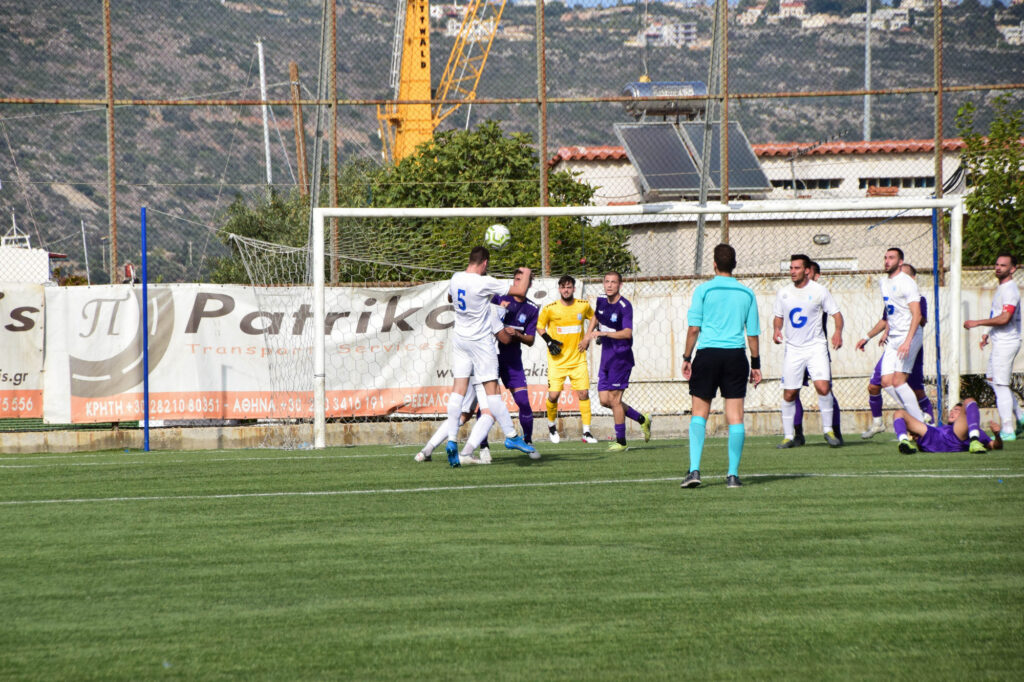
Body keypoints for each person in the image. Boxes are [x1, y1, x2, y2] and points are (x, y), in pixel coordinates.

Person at [443, 246, 536, 467]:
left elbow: (450, 297)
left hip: (460, 340)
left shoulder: (456, 278)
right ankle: (511, 436)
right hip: (480, 343)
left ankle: (452, 439)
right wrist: (526, 271)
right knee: (492, 392)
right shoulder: (484, 282)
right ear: (484, 262)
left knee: (458, 390)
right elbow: (520, 290)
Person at [681, 243, 761, 489]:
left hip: (707, 355)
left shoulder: (704, 290)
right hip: (735, 357)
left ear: (714, 264)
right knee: (735, 416)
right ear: (734, 265)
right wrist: (755, 364)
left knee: (699, 414)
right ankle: (732, 475)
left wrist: (686, 357)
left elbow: (694, 329)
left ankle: (694, 470)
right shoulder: (747, 294)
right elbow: (752, 334)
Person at [773, 254, 844, 448]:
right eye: (791, 268)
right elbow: (778, 316)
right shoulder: (783, 293)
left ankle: (828, 430)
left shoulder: (819, 291)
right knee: (789, 393)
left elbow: (837, 315)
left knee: (823, 387)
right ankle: (789, 436)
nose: (792, 271)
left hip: (816, 347)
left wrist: (838, 332)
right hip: (793, 349)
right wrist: (777, 329)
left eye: (796, 268)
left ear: (806, 270)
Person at [853, 247, 927, 427]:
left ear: (900, 262)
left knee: (899, 382)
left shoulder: (907, 283)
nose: (887, 261)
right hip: (893, 338)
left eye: (891, 258)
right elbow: (891, 313)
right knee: (886, 382)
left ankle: (920, 422)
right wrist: (871, 336)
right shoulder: (883, 283)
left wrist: (908, 341)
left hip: (908, 336)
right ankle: (917, 413)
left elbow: (917, 315)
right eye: (885, 258)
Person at [584, 271, 652, 452]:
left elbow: (627, 333)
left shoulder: (624, 306)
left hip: (621, 358)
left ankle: (621, 442)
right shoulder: (601, 300)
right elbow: (596, 316)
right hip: (606, 357)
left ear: (620, 285)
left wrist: (604, 333)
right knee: (604, 400)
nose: (609, 285)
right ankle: (642, 419)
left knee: (615, 400)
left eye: (613, 282)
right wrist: (587, 336)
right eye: (607, 281)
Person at [963, 252, 1024, 441]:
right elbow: (997, 313)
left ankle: (1008, 429)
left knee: (1000, 383)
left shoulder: (1010, 290)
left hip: (1007, 342)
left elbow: (1005, 318)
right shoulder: (1002, 288)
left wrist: (978, 322)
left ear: (1013, 269)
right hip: (999, 341)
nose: (998, 267)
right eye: (997, 264)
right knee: (992, 379)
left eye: (1003, 265)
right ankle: (1021, 417)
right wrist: (987, 333)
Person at [537, 275, 597, 443]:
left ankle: (586, 432)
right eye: (563, 287)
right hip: (557, 361)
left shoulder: (583, 306)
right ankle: (551, 425)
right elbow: (540, 326)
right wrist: (549, 341)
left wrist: (589, 336)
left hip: (578, 359)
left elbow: (595, 318)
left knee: (583, 393)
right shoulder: (550, 308)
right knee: (554, 395)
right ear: (559, 289)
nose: (566, 290)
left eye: (569, 287)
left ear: (574, 289)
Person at [893, 398, 1003, 454]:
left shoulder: (976, 430)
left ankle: (974, 442)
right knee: (899, 413)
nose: (952, 412)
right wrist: (917, 438)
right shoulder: (943, 427)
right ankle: (904, 442)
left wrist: (997, 436)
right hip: (934, 436)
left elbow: (994, 446)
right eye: (952, 410)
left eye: (957, 410)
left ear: (965, 414)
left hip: (956, 438)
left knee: (969, 401)